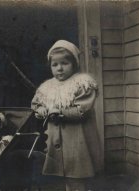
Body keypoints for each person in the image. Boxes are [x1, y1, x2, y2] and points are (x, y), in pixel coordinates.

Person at [31, 40, 102, 191]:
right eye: (55, 65)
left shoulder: (82, 84)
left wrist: (60, 111)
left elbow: (82, 110)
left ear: (74, 64)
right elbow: (37, 104)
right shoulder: (47, 87)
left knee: (76, 178)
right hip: (55, 140)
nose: (60, 69)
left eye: (64, 63)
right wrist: (41, 110)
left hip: (77, 140)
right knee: (58, 178)